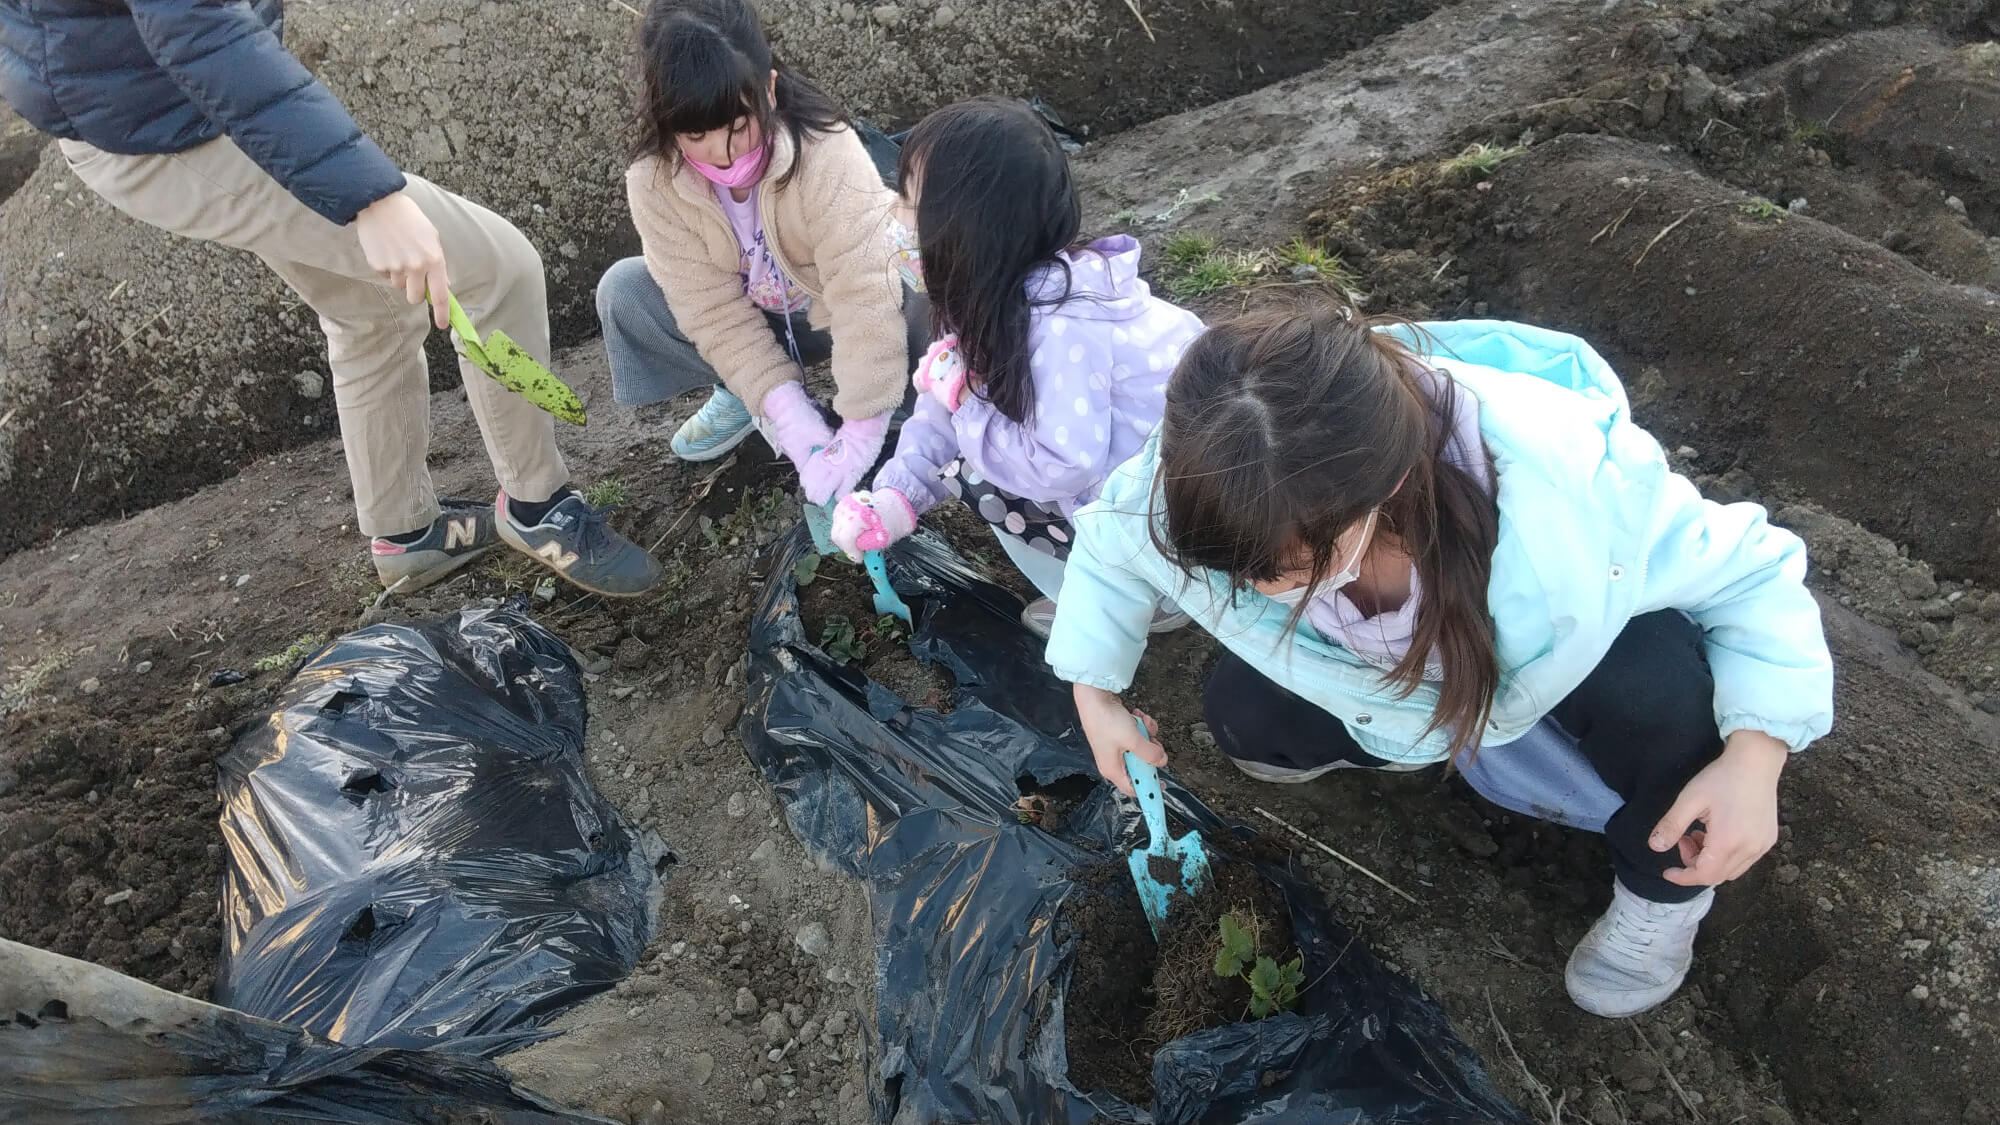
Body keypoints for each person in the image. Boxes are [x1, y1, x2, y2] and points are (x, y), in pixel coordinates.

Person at [1044, 300, 1835, 1018]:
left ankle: (1663, 890)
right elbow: (1116, 536)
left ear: (1378, 490)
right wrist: (1096, 691)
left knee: (1663, 693)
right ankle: (1399, 744)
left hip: (1546, 667)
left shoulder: (1578, 499)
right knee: (1241, 715)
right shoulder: (1225, 464)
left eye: (1277, 570)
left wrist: (1758, 754)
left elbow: (1757, 570)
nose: (1250, 588)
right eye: (1237, 571)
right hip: (1399, 697)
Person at [0, 0, 661, 597]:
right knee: (499, 269)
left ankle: (407, 537)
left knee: (366, 309)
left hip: (144, 96)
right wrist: (370, 198)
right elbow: (196, 26)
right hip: (171, 121)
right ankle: (537, 505)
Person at [828, 97, 1203, 637]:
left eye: (907, 202)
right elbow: (936, 419)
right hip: (1142, 490)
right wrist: (890, 500)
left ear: (968, 228)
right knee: (975, 448)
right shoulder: (991, 300)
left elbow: (1062, 464)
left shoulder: (1060, 326)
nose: (894, 217)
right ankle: (1125, 588)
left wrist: (966, 405)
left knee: (981, 475)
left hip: (1182, 513)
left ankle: (1139, 601)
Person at [598, 0, 925, 504]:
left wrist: (859, 429)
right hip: (762, 316)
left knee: (922, 279)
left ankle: (898, 403)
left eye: (738, 126)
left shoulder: (823, 149)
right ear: (667, 123)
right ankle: (746, 395)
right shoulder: (653, 182)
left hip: (834, 309)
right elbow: (712, 312)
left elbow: (861, 290)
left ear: (768, 90)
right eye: (695, 135)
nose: (723, 153)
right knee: (626, 291)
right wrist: (789, 416)